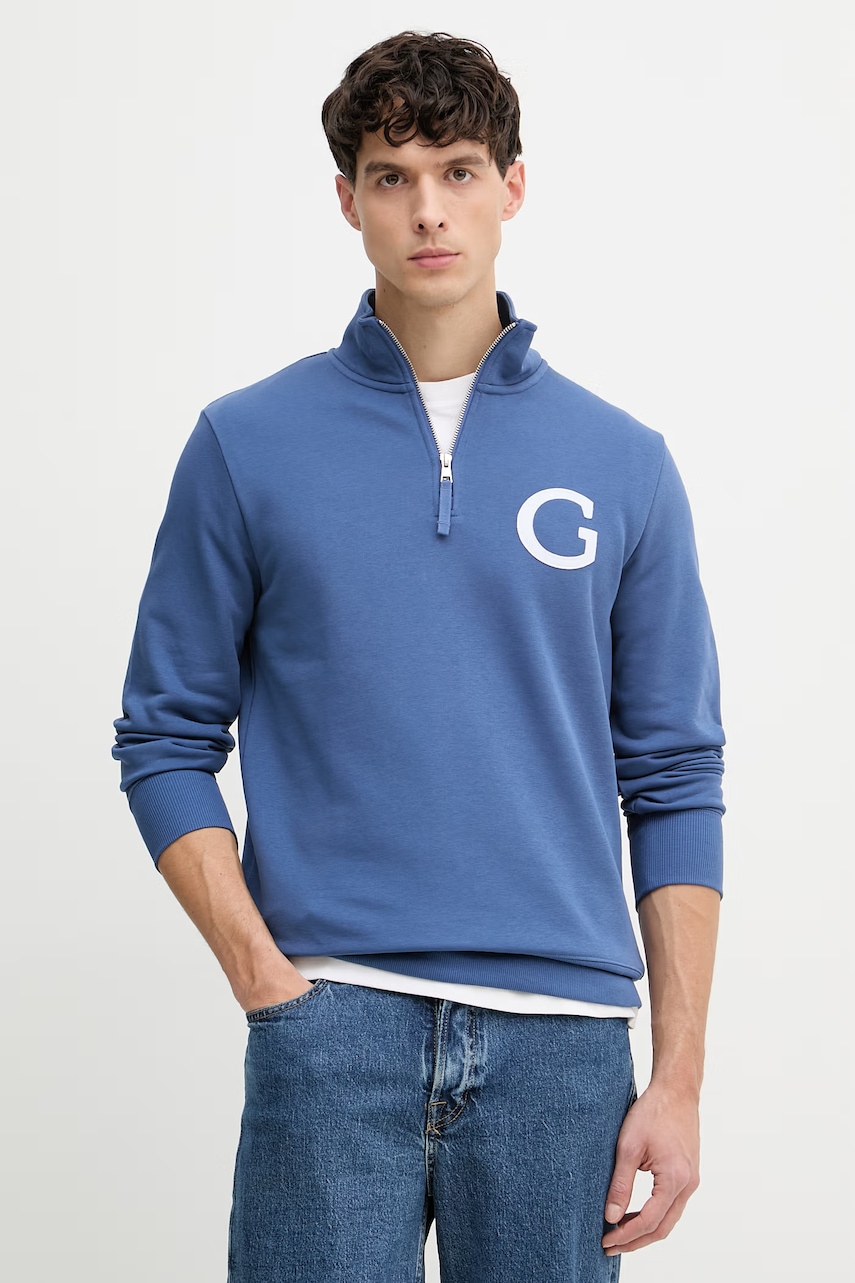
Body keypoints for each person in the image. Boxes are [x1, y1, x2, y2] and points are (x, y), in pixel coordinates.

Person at [113, 30, 724, 1283]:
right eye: (392, 177)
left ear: (512, 184)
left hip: (564, 1046)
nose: (428, 209)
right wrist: (267, 978)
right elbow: (163, 736)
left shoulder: (624, 462)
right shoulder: (246, 442)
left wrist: (677, 1078)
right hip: (331, 1023)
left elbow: (674, 775)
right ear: (348, 199)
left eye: (457, 170)